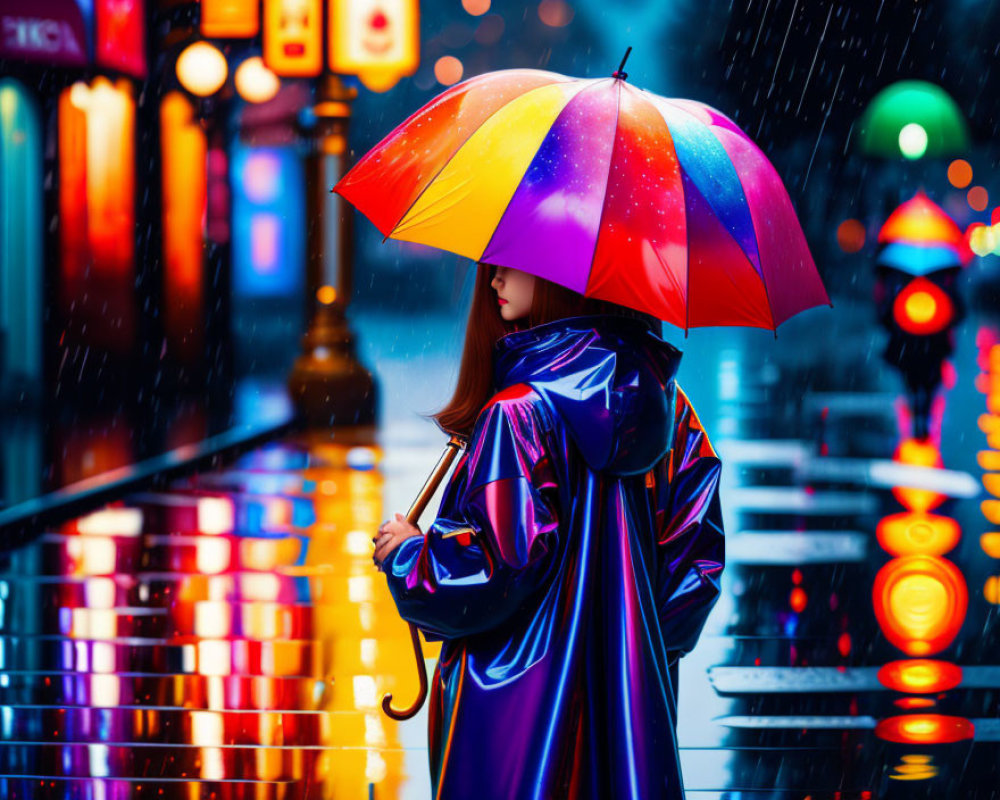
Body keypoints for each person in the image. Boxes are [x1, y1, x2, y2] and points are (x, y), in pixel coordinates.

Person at [372, 262, 725, 800]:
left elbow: (496, 573)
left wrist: (410, 556)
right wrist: (625, 652)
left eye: (509, 266)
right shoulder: (671, 413)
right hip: (628, 713)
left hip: (517, 713)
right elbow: (694, 566)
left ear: (563, 275)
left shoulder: (516, 415)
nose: (493, 281)